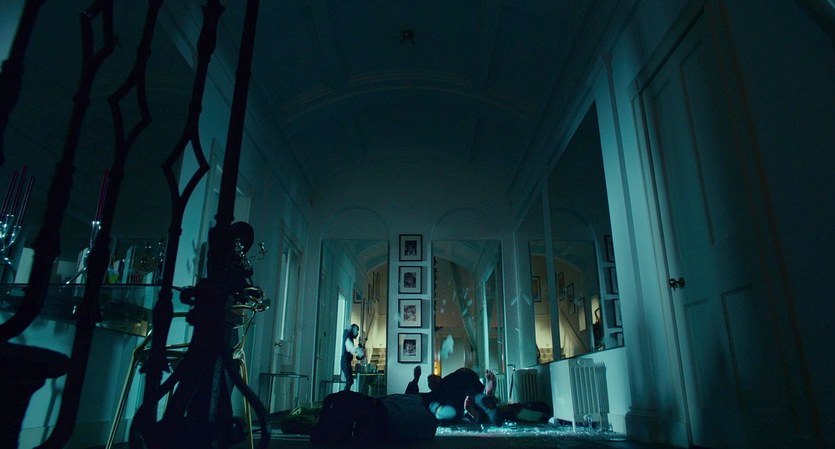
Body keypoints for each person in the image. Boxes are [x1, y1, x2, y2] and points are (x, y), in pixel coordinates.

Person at [405, 366, 501, 425]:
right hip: (456, 405)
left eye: (434, 377)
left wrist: (460, 371)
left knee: (471, 394)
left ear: (440, 377)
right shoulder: (431, 396)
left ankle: (484, 397)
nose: (432, 379)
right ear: (430, 387)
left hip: (464, 394)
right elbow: (410, 397)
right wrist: (416, 379)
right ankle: (485, 396)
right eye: (430, 381)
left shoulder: (448, 380)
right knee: (472, 397)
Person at [341, 324, 364, 391]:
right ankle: (345, 395)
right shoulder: (348, 337)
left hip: (346, 362)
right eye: (357, 331)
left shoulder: (348, 336)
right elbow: (351, 349)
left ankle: (345, 394)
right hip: (345, 362)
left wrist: (358, 350)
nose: (357, 333)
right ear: (353, 330)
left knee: (350, 380)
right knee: (349, 381)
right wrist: (359, 352)